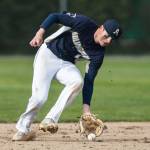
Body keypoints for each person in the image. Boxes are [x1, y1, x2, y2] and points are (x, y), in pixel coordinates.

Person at [12, 11, 122, 141]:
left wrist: (86, 110)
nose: (109, 40)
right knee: (39, 98)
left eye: (112, 39)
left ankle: (50, 119)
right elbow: (55, 16)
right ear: (101, 28)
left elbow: (89, 80)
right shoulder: (84, 23)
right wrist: (39, 33)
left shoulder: (98, 55)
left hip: (66, 64)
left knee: (77, 81)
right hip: (48, 55)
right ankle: (23, 129)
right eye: (107, 35)